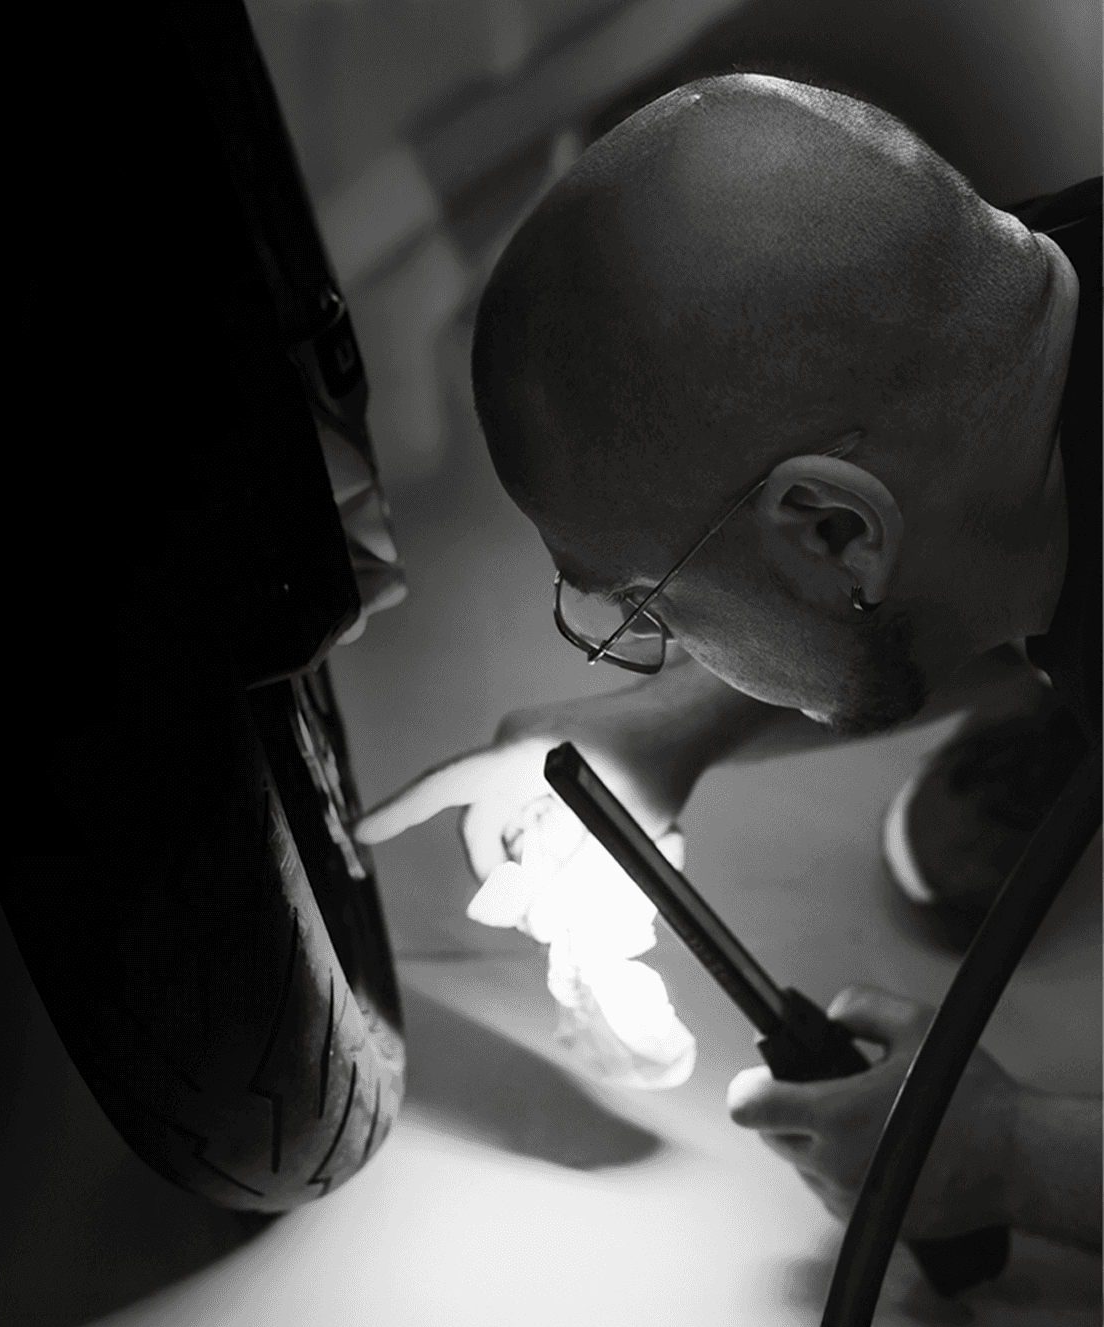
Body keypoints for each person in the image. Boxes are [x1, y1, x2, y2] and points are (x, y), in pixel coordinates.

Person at [352, 73, 1099, 1254]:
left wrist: (1014, 1160)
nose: (655, 648)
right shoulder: (1034, 297)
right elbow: (960, 534)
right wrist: (673, 730)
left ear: (837, 532)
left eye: (651, 609)